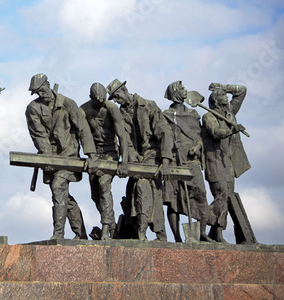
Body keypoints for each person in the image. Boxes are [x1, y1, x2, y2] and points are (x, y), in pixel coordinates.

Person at [25, 73, 97, 240]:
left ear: (48, 84)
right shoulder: (33, 109)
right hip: (50, 156)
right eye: (37, 92)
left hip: (69, 155)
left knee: (58, 187)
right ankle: (81, 234)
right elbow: (38, 135)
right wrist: (47, 157)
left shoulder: (67, 104)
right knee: (62, 197)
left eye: (41, 89)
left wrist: (91, 154)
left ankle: (58, 234)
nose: (40, 93)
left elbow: (82, 128)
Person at [107, 78, 172, 241]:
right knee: (133, 190)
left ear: (123, 90)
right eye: (114, 98)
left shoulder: (149, 105)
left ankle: (149, 231)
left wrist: (165, 160)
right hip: (135, 158)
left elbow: (164, 132)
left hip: (153, 154)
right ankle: (143, 231)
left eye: (116, 96)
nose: (116, 100)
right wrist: (129, 158)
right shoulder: (120, 114)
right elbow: (124, 140)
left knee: (144, 186)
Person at [162, 81, 212, 242]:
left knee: (201, 194)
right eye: (182, 88)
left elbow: (200, 136)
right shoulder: (166, 115)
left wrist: (197, 146)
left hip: (191, 161)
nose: (185, 91)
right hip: (174, 162)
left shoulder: (194, 114)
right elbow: (162, 136)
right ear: (176, 92)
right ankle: (176, 237)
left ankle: (202, 232)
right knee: (172, 199)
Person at [202, 83, 251, 243]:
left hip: (228, 164)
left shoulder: (229, 112)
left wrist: (224, 86)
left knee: (226, 197)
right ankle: (204, 226)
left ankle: (213, 234)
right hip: (215, 164)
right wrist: (231, 131)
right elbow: (215, 132)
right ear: (216, 100)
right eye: (223, 95)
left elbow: (242, 91)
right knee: (221, 196)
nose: (226, 97)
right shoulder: (208, 116)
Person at [80, 83, 129, 240]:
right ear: (91, 98)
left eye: (103, 102)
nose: (101, 105)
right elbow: (81, 135)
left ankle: (106, 229)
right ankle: (113, 226)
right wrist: (90, 155)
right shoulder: (84, 110)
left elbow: (122, 136)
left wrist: (124, 162)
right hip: (94, 155)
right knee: (95, 195)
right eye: (97, 102)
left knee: (103, 186)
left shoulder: (111, 108)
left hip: (110, 154)